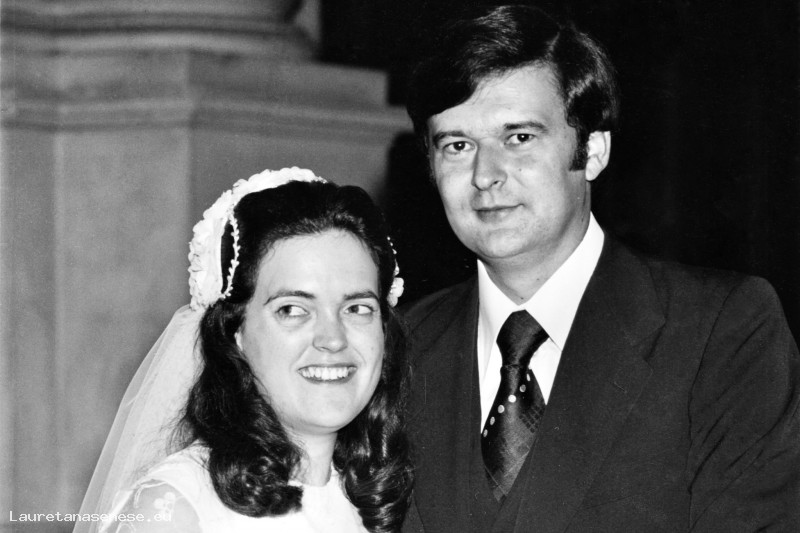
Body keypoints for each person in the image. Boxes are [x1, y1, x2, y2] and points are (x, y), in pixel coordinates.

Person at [401, 5, 800, 532]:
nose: (485, 175)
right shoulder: (397, 348)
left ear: (592, 150)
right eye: (457, 146)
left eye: (519, 138)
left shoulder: (722, 331)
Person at [76, 168, 413, 533]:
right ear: (236, 332)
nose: (333, 339)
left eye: (357, 308)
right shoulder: (177, 509)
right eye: (293, 310)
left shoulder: (378, 502)